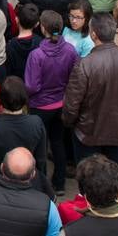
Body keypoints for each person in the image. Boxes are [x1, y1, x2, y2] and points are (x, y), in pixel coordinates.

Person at [62, 13, 118, 175]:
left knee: (88, 176)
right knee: (111, 175)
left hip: (87, 133)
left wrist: (69, 123)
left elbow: (72, 103)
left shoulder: (85, 64)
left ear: (93, 34)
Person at [25, 11, 79, 194]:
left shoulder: (37, 55)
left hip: (40, 106)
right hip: (61, 104)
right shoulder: (70, 50)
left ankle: (40, 185)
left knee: (39, 147)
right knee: (58, 142)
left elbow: (32, 86)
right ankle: (60, 183)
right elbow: (74, 77)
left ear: (43, 28)